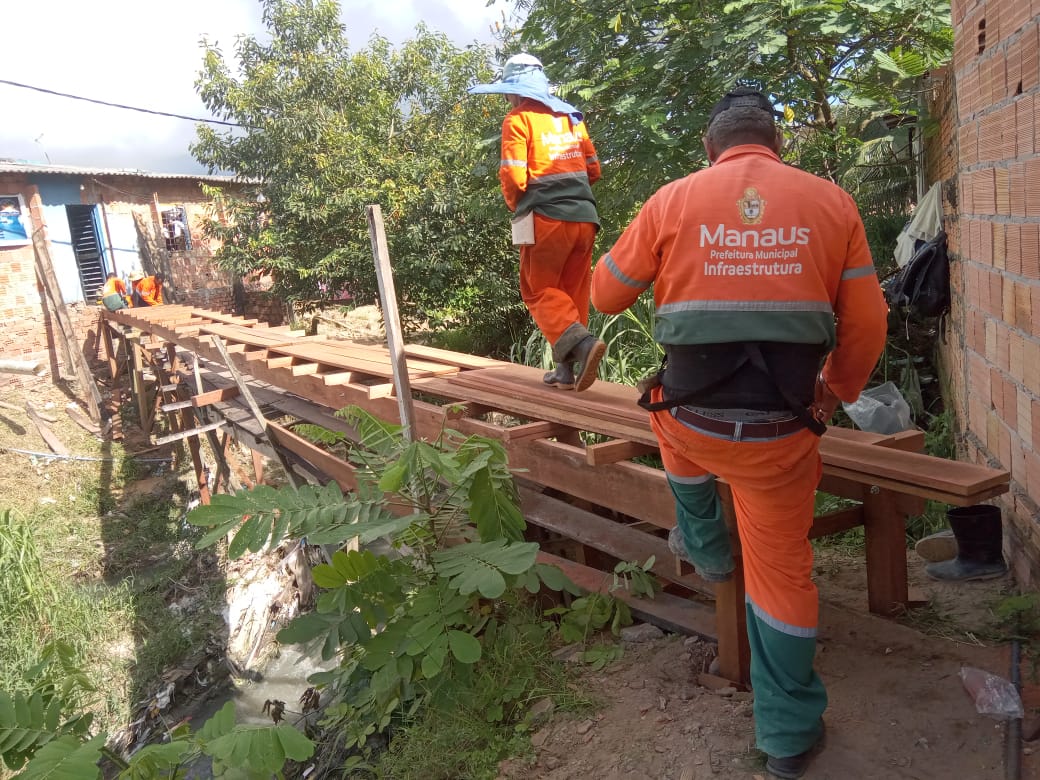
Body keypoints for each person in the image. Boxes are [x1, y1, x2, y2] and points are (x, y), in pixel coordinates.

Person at [590, 87, 888, 779]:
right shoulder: (831, 203)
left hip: (691, 423)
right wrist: (835, 391)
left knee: (662, 416)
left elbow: (605, 296)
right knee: (782, 575)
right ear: (776, 145)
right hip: (783, 435)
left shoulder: (672, 199)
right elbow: (868, 325)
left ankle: (706, 547)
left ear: (710, 146)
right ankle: (785, 738)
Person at [468, 53, 606, 391]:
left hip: (546, 218)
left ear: (516, 92)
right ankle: (566, 371)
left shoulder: (518, 120)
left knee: (538, 290)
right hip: (586, 219)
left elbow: (514, 177)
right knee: (570, 294)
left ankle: (585, 346)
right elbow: (594, 171)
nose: (506, 99)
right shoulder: (571, 117)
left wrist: (519, 207)